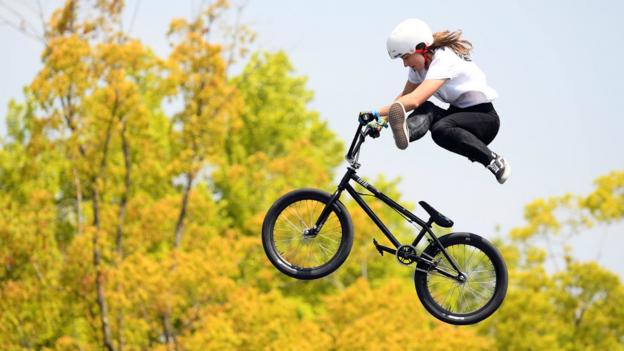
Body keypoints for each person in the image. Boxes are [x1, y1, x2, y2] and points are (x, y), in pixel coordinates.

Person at [359, 18, 511, 184]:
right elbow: (405, 95)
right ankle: (407, 130)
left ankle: (493, 160)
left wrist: (375, 112)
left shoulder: (444, 59)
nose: (405, 64)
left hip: (484, 120)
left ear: (421, 48)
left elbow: (415, 100)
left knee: (439, 127)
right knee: (428, 109)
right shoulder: (419, 68)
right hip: (457, 115)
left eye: (406, 57)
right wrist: (381, 121)